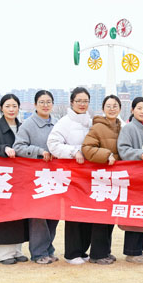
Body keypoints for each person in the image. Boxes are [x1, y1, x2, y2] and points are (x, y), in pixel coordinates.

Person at [47, 87, 93, 265]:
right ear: (72, 102)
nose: (82, 104)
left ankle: (83, 249)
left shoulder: (90, 121)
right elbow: (53, 144)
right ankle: (72, 253)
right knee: (74, 214)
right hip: (72, 174)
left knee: (88, 213)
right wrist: (73, 152)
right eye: (79, 101)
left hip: (89, 175)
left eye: (85, 101)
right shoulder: (64, 123)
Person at [13, 90, 59, 264]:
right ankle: (38, 253)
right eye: (41, 102)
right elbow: (18, 147)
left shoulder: (57, 123)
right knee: (38, 216)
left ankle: (49, 249)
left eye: (48, 102)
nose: (45, 105)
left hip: (56, 176)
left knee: (53, 215)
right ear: (35, 105)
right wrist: (39, 151)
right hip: (35, 177)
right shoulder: (28, 125)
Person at [0, 94, 30, 265]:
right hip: (1, 177)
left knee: (19, 214)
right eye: (7, 106)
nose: (11, 109)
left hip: (18, 177)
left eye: (14, 106)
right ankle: (2, 254)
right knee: (3, 216)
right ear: (1, 108)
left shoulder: (22, 126)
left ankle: (16, 250)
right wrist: (3, 149)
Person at [81, 94, 123, 265]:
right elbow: (87, 148)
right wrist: (106, 155)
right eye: (108, 106)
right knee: (100, 217)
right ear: (103, 108)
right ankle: (97, 255)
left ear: (120, 108)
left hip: (115, 178)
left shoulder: (121, 127)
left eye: (115, 106)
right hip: (100, 179)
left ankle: (105, 251)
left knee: (110, 217)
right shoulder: (97, 127)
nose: (112, 109)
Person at [117, 97, 143, 264]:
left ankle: (139, 250)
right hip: (134, 177)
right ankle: (132, 252)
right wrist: (140, 153)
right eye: (139, 108)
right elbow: (123, 150)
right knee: (135, 215)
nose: (142, 111)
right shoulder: (129, 128)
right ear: (132, 110)